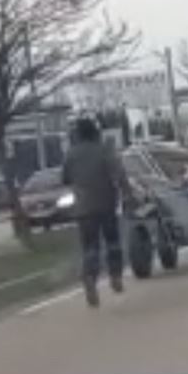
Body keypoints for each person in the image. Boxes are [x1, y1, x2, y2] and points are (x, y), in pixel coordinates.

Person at [63, 116, 131, 306]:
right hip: (106, 202)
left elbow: (65, 178)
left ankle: (90, 276)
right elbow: (119, 173)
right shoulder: (104, 149)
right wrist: (127, 193)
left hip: (83, 207)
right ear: (95, 132)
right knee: (113, 243)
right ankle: (115, 276)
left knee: (90, 247)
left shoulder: (71, 154)